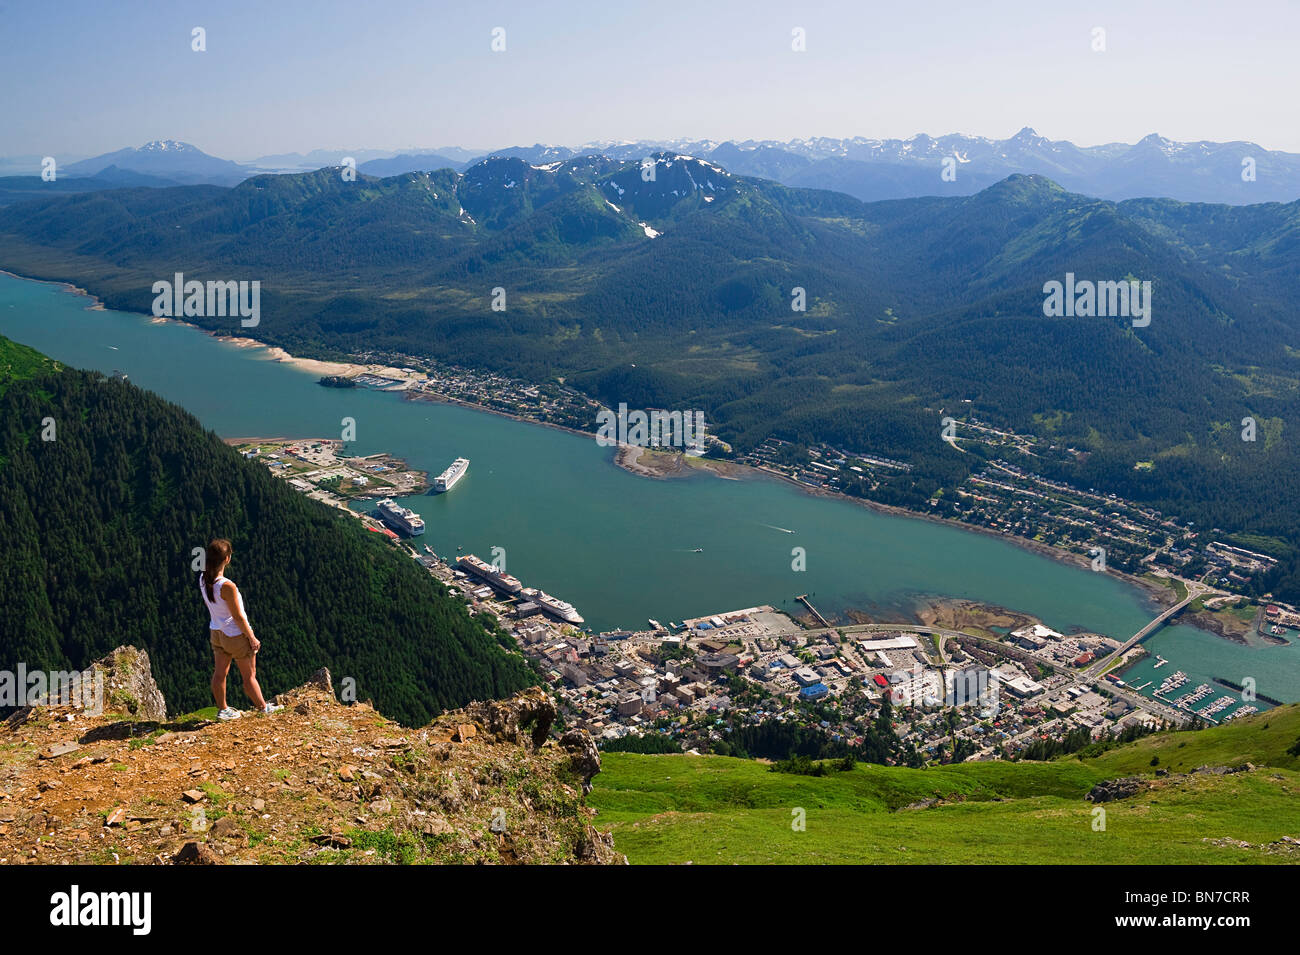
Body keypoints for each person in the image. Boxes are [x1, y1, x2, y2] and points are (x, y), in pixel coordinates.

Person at [198, 538, 282, 719]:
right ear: (227, 559)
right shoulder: (228, 586)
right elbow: (238, 617)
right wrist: (251, 637)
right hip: (235, 636)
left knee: (220, 674)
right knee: (249, 676)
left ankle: (223, 710)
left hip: (216, 633)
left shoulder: (203, 578)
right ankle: (263, 708)